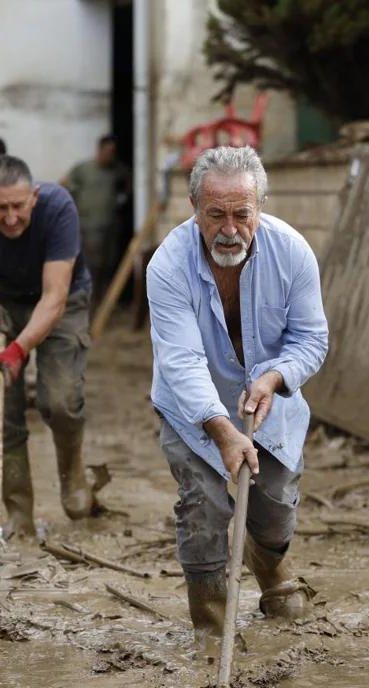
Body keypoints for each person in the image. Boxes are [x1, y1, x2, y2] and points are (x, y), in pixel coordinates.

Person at [147, 146, 329, 643]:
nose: (229, 229)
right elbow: (180, 360)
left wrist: (274, 378)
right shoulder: (167, 265)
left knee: (273, 510)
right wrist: (221, 428)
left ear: (261, 207)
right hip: (193, 410)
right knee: (203, 506)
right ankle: (211, 625)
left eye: (241, 214)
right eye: (216, 214)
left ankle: (269, 568)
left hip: (269, 402)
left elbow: (312, 340)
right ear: (193, 207)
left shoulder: (292, 253)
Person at [0, 155, 100, 536]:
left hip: (60, 301)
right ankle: (19, 513)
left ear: (33, 197)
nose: (11, 217)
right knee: (1, 407)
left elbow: (54, 298)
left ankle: (72, 474)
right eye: (0, 208)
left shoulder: (58, 208)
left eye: (18, 206)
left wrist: (18, 349)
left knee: (61, 400)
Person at [62, 135, 131, 298]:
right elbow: (63, 183)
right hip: (89, 226)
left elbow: (130, 178)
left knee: (109, 264)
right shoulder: (84, 169)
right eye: (108, 151)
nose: (111, 155)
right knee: (92, 265)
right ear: (100, 149)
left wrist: (123, 197)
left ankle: (105, 301)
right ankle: (90, 301)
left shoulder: (115, 169)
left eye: (113, 152)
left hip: (110, 224)